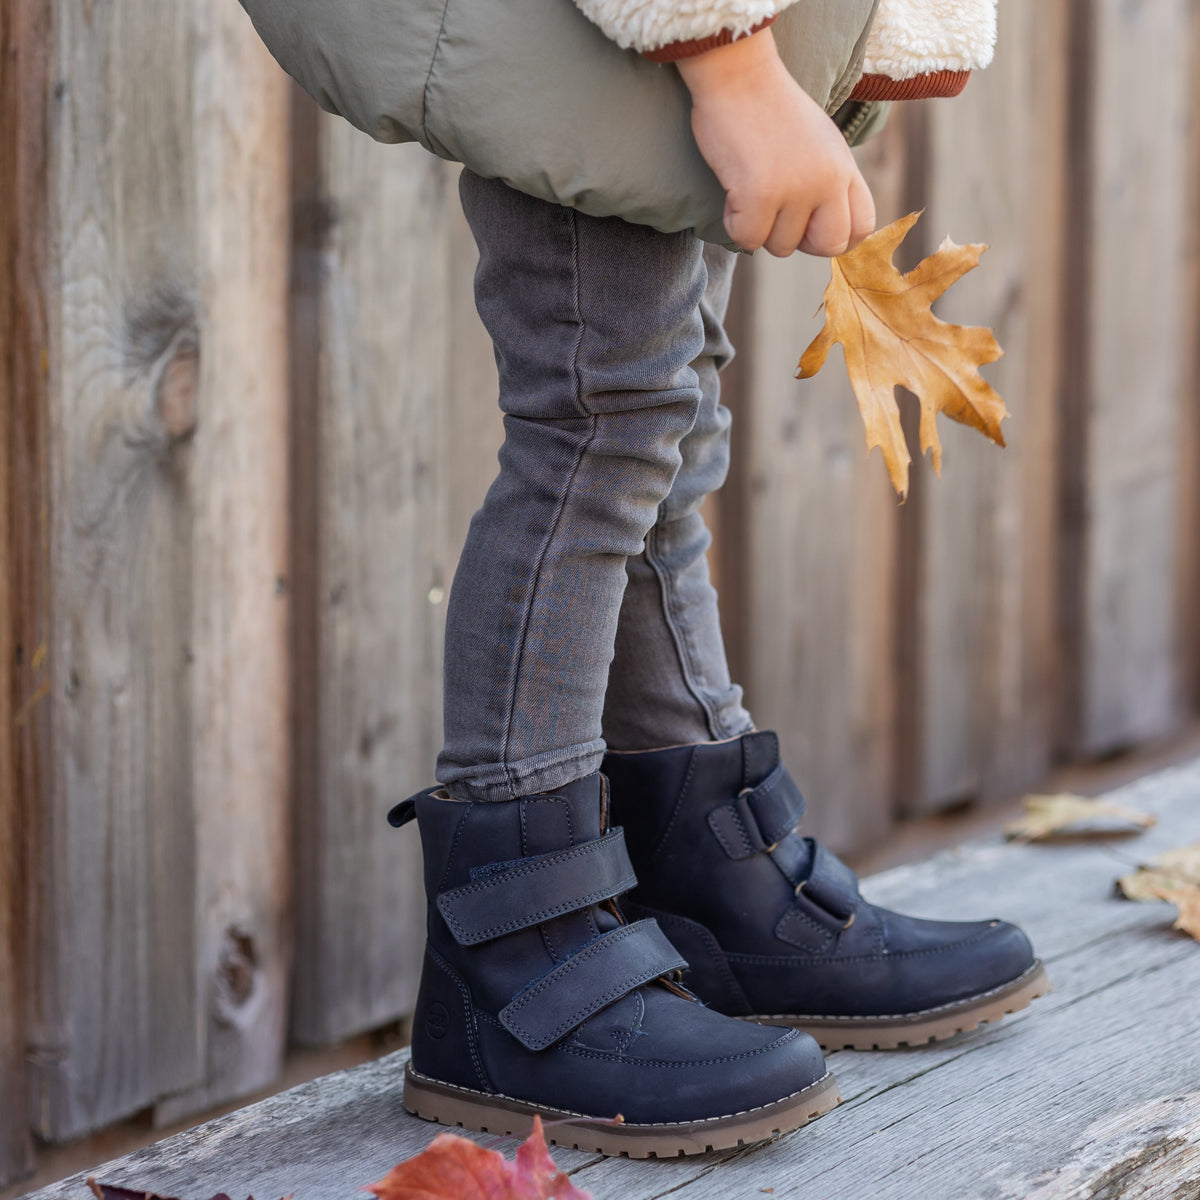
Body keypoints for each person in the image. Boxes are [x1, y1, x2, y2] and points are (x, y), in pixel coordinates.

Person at [244, 0, 1047, 1158]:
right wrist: (731, 60)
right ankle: (512, 965)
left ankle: (707, 887)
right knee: (600, 421)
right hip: (616, 31)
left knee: (656, 414)